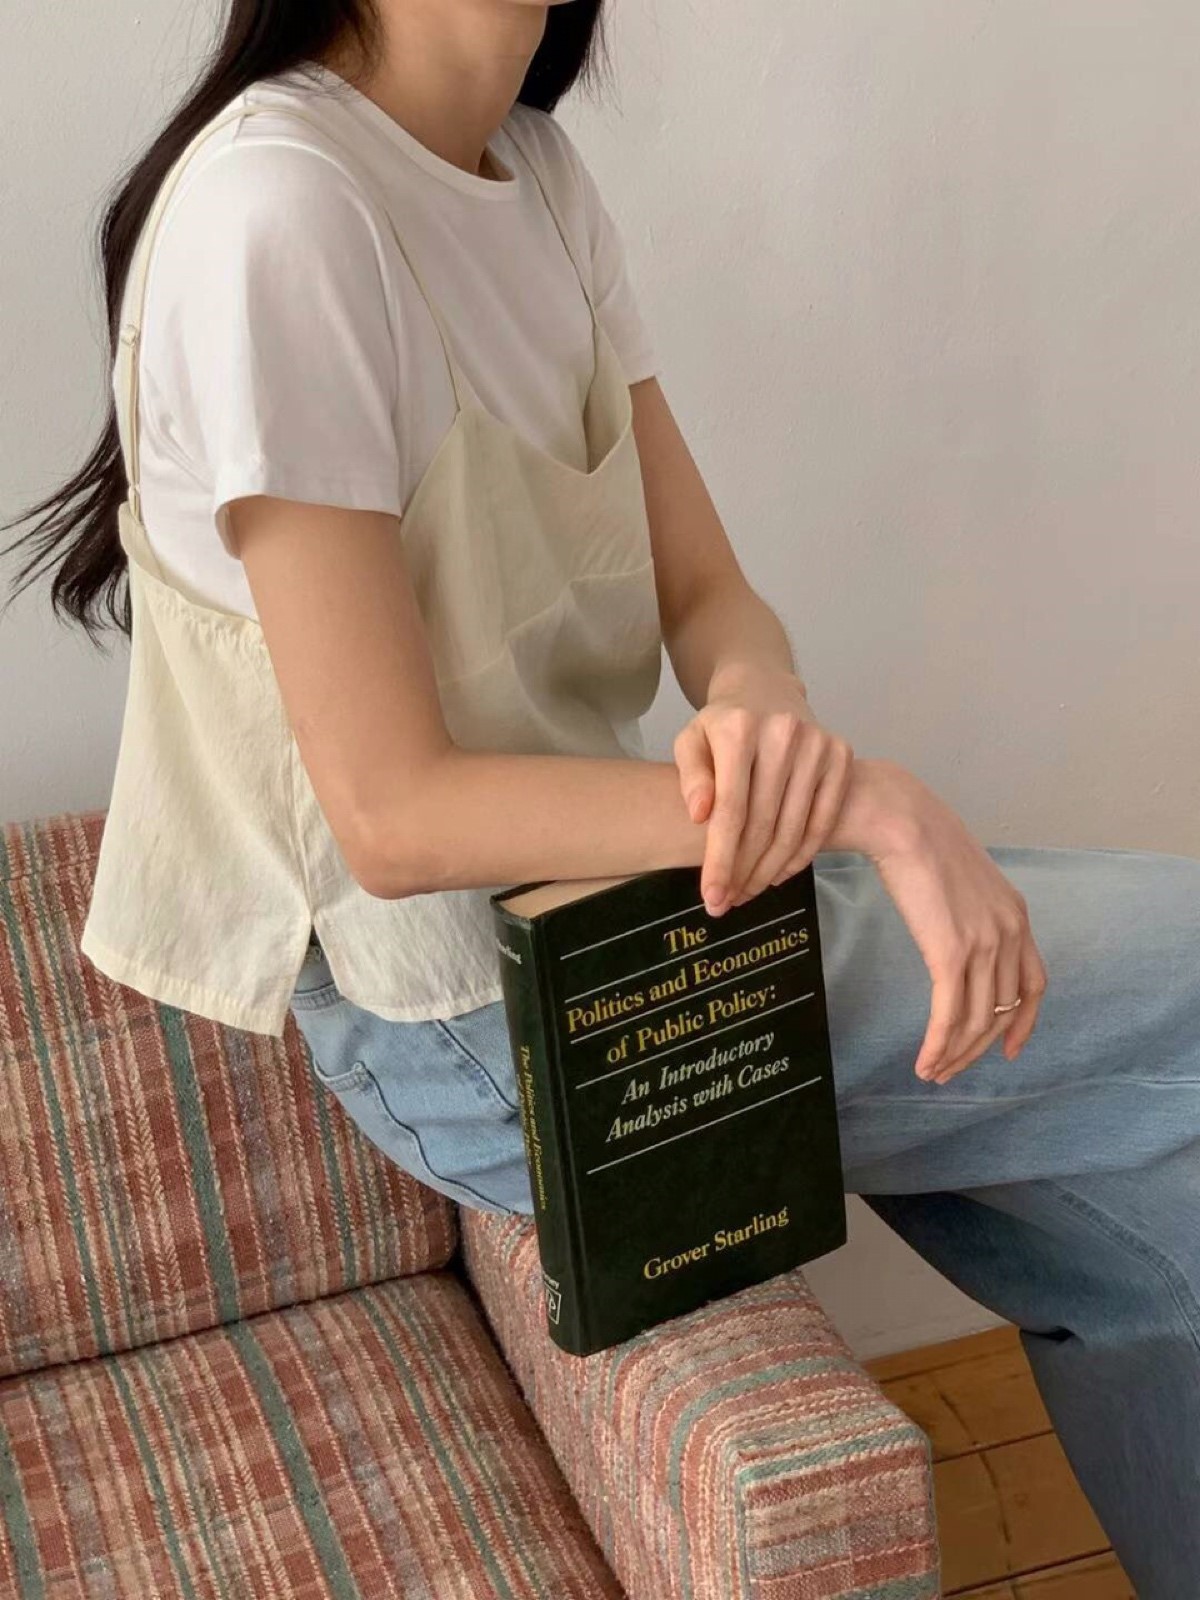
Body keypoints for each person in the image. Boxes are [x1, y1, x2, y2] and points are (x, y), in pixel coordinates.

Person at [3, 3, 1196, 1592]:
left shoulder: (537, 177)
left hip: (629, 920)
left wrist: (761, 714)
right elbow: (392, 816)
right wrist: (864, 808)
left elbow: (708, 596)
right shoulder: (279, 209)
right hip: (475, 1025)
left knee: (1157, 1216)